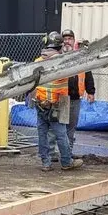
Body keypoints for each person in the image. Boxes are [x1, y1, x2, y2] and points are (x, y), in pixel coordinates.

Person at [33, 31, 82, 172]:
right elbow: (74, 73)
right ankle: (66, 162)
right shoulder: (62, 62)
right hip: (57, 104)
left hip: (40, 103)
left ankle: (46, 163)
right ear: (59, 47)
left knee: (42, 133)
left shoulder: (38, 61)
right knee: (61, 134)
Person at [62, 29, 96, 155]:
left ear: (73, 40)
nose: (67, 42)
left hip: (75, 99)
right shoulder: (59, 56)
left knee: (71, 128)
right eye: (65, 39)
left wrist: (91, 92)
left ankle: (67, 153)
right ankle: (56, 153)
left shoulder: (81, 58)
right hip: (61, 98)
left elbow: (88, 74)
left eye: (69, 39)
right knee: (59, 128)